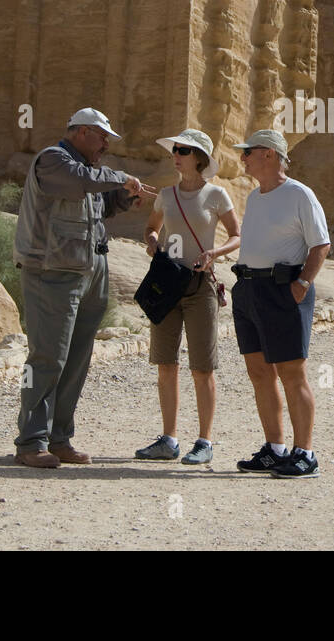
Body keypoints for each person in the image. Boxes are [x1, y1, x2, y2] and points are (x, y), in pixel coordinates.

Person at [12, 107, 157, 469]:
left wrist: (124, 197)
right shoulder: (54, 161)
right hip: (52, 273)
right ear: (80, 132)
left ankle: (59, 438)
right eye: (102, 136)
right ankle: (31, 441)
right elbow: (79, 180)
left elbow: (99, 205)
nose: (106, 143)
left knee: (76, 359)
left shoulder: (89, 173)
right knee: (47, 358)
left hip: (87, 272)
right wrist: (120, 177)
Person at [230, 129, 331, 479]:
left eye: (248, 152)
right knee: (259, 372)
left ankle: (305, 454)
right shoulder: (256, 197)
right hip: (248, 289)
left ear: (269, 154)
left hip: (283, 290)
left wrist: (302, 284)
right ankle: (275, 449)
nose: (242, 158)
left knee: (291, 372)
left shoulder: (299, 194)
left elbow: (321, 245)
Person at [135, 129, 240, 465]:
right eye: (175, 149)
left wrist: (216, 251)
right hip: (167, 283)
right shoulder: (166, 195)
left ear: (199, 158)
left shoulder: (217, 195)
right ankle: (169, 439)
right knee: (165, 364)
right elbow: (152, 227)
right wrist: (152, 240)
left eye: (182, 150)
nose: (175, 154)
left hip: (200, 286)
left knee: (202, 368)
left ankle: (205, 441)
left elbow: (238, 235)